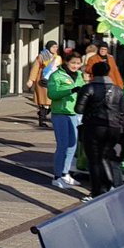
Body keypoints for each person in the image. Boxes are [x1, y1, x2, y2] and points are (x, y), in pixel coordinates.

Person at [75, 60, 124, 200]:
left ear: (93, 73)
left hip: (94, 126)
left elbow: (78, 109)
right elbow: (122, 111)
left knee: (94, 160)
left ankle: (96, 192)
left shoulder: (89, 88)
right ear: (107, 72)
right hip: (114, 128)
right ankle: (110, 186)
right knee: (105, 157)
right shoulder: (118, 89)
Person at [48, 51, 85, 190]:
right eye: (73, 63)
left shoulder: (80, 75)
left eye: (78, 63)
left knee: (72, 145)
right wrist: (71, 90)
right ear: (66, 62)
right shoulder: (56, 76)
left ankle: (65, 173)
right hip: (60, 113)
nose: (76, 66)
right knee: (62, 145)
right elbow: (52, 94)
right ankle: (57, 177)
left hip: (74, 113)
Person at [26, 41, 61, 128]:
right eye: (53, 47)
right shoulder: (41, 57)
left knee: (52, 102)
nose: (55, 49)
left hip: (53, 81)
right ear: (49, 47)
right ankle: (42, 120)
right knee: (44, 102)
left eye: (56, 47)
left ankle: (42, 114)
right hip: (43, 81)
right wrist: (31, 80)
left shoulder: (58, 58)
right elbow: (35, 68)